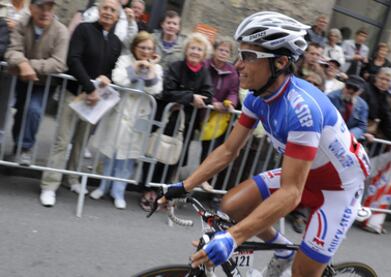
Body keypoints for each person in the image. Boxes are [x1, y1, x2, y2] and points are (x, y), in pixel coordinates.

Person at [158, 11, 371, 277]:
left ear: (280, 62)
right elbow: (228, 150)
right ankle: (283, 249)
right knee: (232, 205)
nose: (238, 64)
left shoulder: (301, 110)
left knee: (303, 273)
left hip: (338, 190)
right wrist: (183, 186)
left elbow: (291, 193)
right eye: (239, 54)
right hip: (305, 175)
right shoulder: (257, 98)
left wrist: (233, 237)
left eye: (248, 57)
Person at [39, 0, 122, 207]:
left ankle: (72, 179)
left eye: (113, 10)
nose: (108, 13)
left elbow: (111, 71)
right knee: (62, 140)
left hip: (95, 100)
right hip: (74, 94)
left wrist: (106, 81)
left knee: (81, 141)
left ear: (117, 16)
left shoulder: (115, 42)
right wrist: (89, 87)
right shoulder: (84, 29)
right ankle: (50, 185)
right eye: (105, 8)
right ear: (99, 10)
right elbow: (73, 59)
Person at [140, 32, 213, 211]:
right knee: (157, 156)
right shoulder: (175, 66)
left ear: (204, 54)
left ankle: (165, 194)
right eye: (193, 48)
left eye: (199, 49)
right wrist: (190, 97)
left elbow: (209, 96)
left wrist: (189, 98)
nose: (195, 52)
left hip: (187, 125)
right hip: (167, 119)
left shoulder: (204, 73)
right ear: (187, 49)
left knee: (174, 160)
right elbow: (167, 91)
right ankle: (149, 191)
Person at [89, 31, 163, 209]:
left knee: (128, 156)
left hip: (139, 116)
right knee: (111, 153)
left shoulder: (157, 67)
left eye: (149, 48)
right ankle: (103, 186)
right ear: (135, 48)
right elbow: (118, 79)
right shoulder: (124, 60)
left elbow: (155, 89)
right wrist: (136, 68)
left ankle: (118, 191)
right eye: (142, 47)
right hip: (119, 112)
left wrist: (150, 68)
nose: (145, 51)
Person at [4, 0, 69, 165]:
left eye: (50, 7)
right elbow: (12, 51)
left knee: (34, 110)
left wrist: (28, 65)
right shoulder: (22, 24)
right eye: (41, 7)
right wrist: (22, 64)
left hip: (44, 83)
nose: (45, 12)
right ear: (31, 8)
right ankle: (17, 147)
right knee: (20, 113)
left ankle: (25, 148)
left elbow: (59, 62)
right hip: (22, 79)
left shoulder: (61, 31)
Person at [200, 37, 239, 166]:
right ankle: (175, 172)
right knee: (187, 142)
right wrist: (213, 102)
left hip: (217, 116)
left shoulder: (232, 71)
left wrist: (230, 102)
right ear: (214, 50)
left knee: (210, 147)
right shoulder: (204, 65)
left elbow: (234, 91)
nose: (223, 53)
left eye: (227, 51)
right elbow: (201, 86)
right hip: (200, 109)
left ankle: (202, 176)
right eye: (221, 50)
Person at [361, 67, 391, 143]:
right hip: (358, 131)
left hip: (368, 134)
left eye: (387, 80)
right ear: (376, 77)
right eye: (382, 78)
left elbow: (387, 118)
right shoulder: (365, 88)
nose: (384, 82)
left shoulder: (384, 96)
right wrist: (362, 130)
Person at [328, 75, 369, 140]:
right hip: (329, 134)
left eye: (355, 89)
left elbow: (362, 127)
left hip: (347, 140)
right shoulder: (332, 97)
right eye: (349, 87)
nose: (351, 90)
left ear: (360, 91)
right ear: (344, 85)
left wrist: (349, 136)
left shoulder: (362, 105)